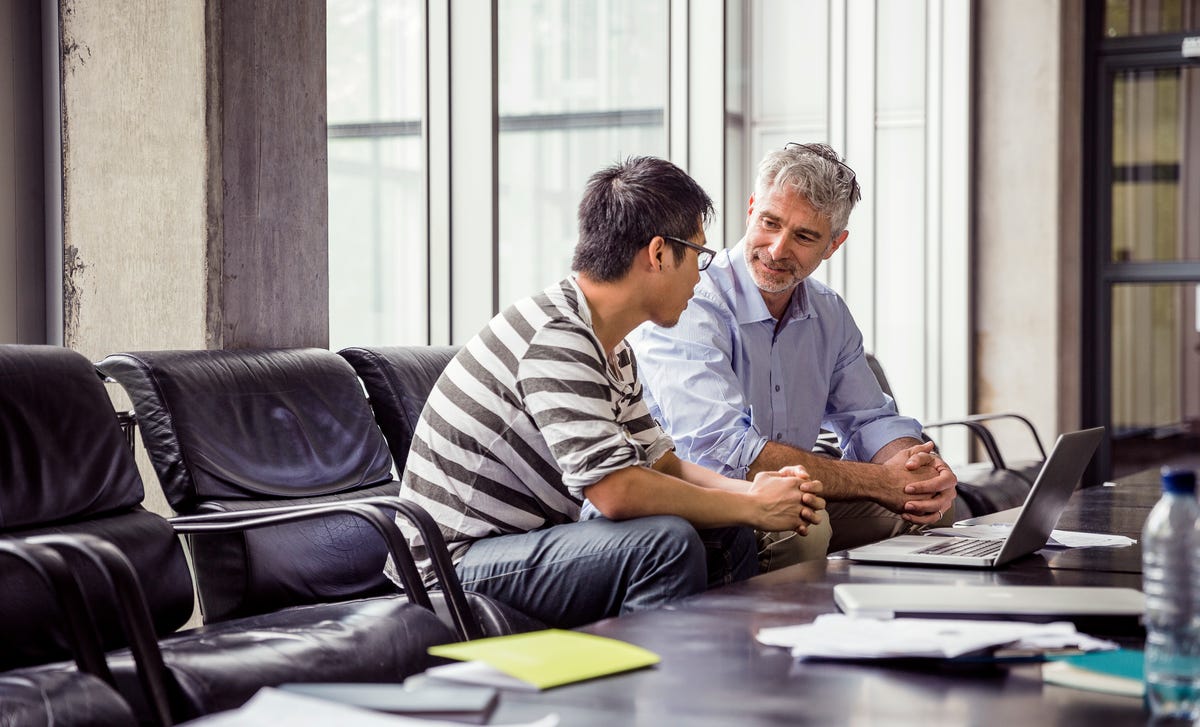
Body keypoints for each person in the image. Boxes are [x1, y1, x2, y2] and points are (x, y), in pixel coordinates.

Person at [389, 156, 826, 627]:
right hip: (451, 568)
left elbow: (663, 464)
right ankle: (640, 692)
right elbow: (615, 491)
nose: (702, 276)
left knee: (729, 531)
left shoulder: (610, 346)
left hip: (518, 547)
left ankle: (716, 674)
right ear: (659, 254)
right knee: (666, 544)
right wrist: (752, 504)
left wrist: (751, 495)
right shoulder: (555, 338)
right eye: (698, 255)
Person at [627, 143, 957, 569]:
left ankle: (903, 634)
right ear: (750, 210)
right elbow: (723, 451)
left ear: (834, 245)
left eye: (804, 236)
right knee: (805, 524)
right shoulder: (690, 301)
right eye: (770, 223)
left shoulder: (828, 312)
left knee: (930, 507)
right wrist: (880, 480)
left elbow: (870, 419)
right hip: (707, 497)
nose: (779, 249)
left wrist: (916, 468)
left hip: (793, 493)